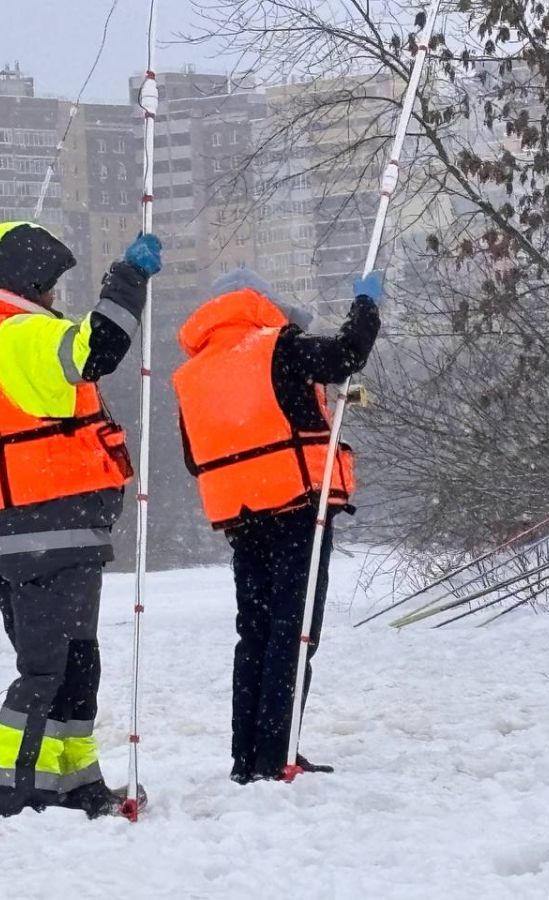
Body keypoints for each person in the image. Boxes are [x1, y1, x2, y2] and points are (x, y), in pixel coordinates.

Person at [0, 221, 162, 817]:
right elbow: (97, 349)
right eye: (52, 285)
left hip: (8, 535)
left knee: (70, 664)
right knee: (50, 670)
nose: (57, 296)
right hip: (51, 530)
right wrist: (128, 278)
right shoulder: (23, 334)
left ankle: (74, 785)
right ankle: (17, 795)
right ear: (29, 280)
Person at [172, 268, 381, 783]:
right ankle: (276, 753)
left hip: (242, 519)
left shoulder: (193, 374)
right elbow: (347, 355)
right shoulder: (277, 346)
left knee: (257, 633)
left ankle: (247, 756)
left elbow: (193, 459)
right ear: (258, 303)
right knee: (294, 631)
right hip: (297, 507)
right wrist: (366, 306)